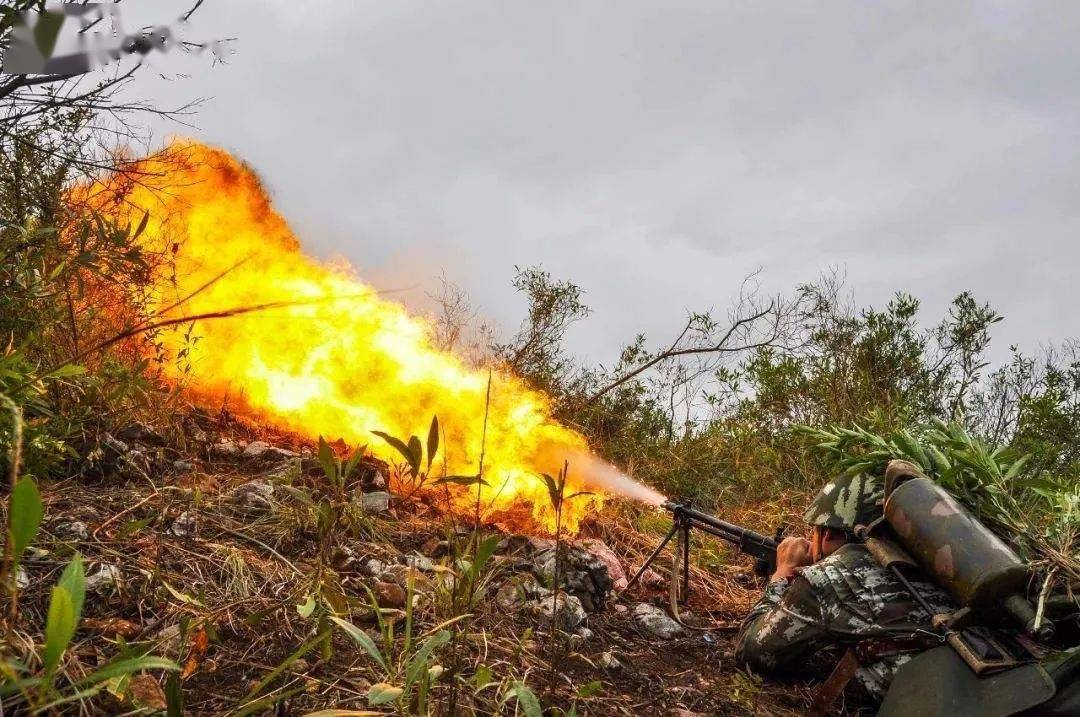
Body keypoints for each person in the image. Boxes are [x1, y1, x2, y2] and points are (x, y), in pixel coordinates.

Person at [734, 466, 955, 702]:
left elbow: (752, 653)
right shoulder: (938, 568)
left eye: (816, 531)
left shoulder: (829, 579)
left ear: (827, 533)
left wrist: (783, 572)